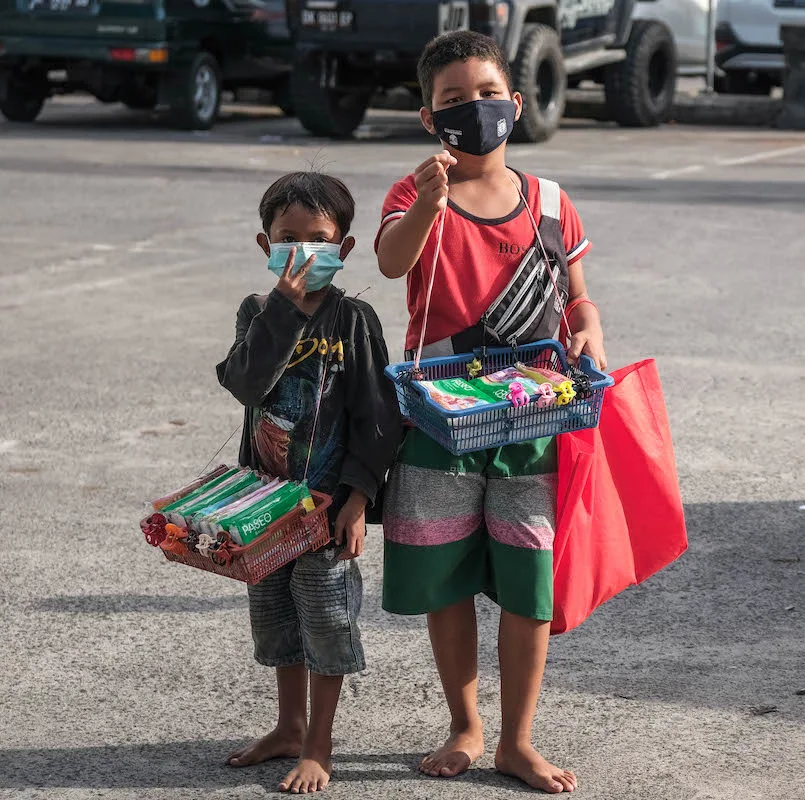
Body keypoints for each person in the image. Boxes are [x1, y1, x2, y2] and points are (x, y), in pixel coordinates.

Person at [376, 31, 607, 794]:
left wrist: (589, 328)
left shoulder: (550, 201)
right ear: (427, 117)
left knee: (526, 583)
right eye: (452, 100)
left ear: (514, 101)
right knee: (444, 577)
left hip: (534, 420)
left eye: (484, 94)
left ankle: (516, 739)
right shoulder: (413, 193)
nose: (472, 109)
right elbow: (390, 261)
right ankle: (465, 726)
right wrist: (429, 201)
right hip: (438, 421)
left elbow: (576, 296)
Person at [217, 171, 401, 794]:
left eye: (318, 240)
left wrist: (358, 498)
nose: (301, 253)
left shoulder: (355, 320)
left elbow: (377, 418)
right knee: (275, 619)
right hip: (265, 507)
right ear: (263, 245)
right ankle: (288, 725)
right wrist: (282, 312)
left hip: (324, 514)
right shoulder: (256, 312)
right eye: (286, 239)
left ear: (344, 249)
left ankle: (319, 743)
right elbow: (246, 384)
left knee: (325, 620)